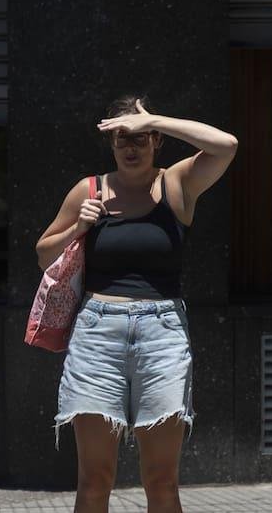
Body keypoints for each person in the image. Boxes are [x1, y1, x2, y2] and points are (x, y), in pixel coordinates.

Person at [35, 96, 237, 513]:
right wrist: (79, 226)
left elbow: (226, 145)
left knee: (161, 482)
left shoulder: (177, 182)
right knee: (94, 481)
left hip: (161, 335)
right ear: (109, 143)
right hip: (96, 334)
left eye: (140, 137)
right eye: (121, 138)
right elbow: (42, 254)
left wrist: (154, 117)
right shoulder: (89, 189)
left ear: (156, 139)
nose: (130, 147)